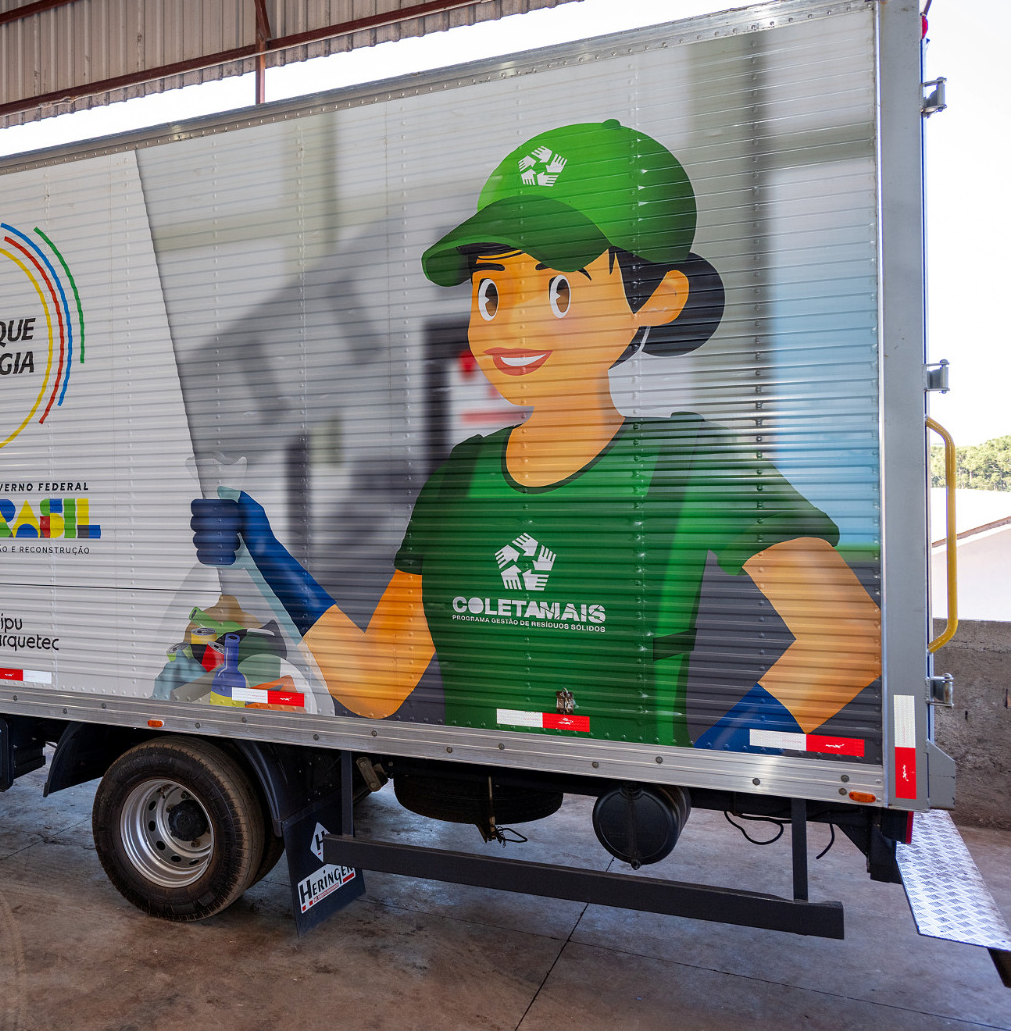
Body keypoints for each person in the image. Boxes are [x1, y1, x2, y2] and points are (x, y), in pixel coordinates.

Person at [192, 120, 880, 751]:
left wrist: (705, 762)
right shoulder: (462, 478)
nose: (510, 327)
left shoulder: (690, 465)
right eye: (492, 293)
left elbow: (848, 636)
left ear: (659, 297)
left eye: (557, 292)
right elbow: (377, 684)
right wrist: (267, 549)